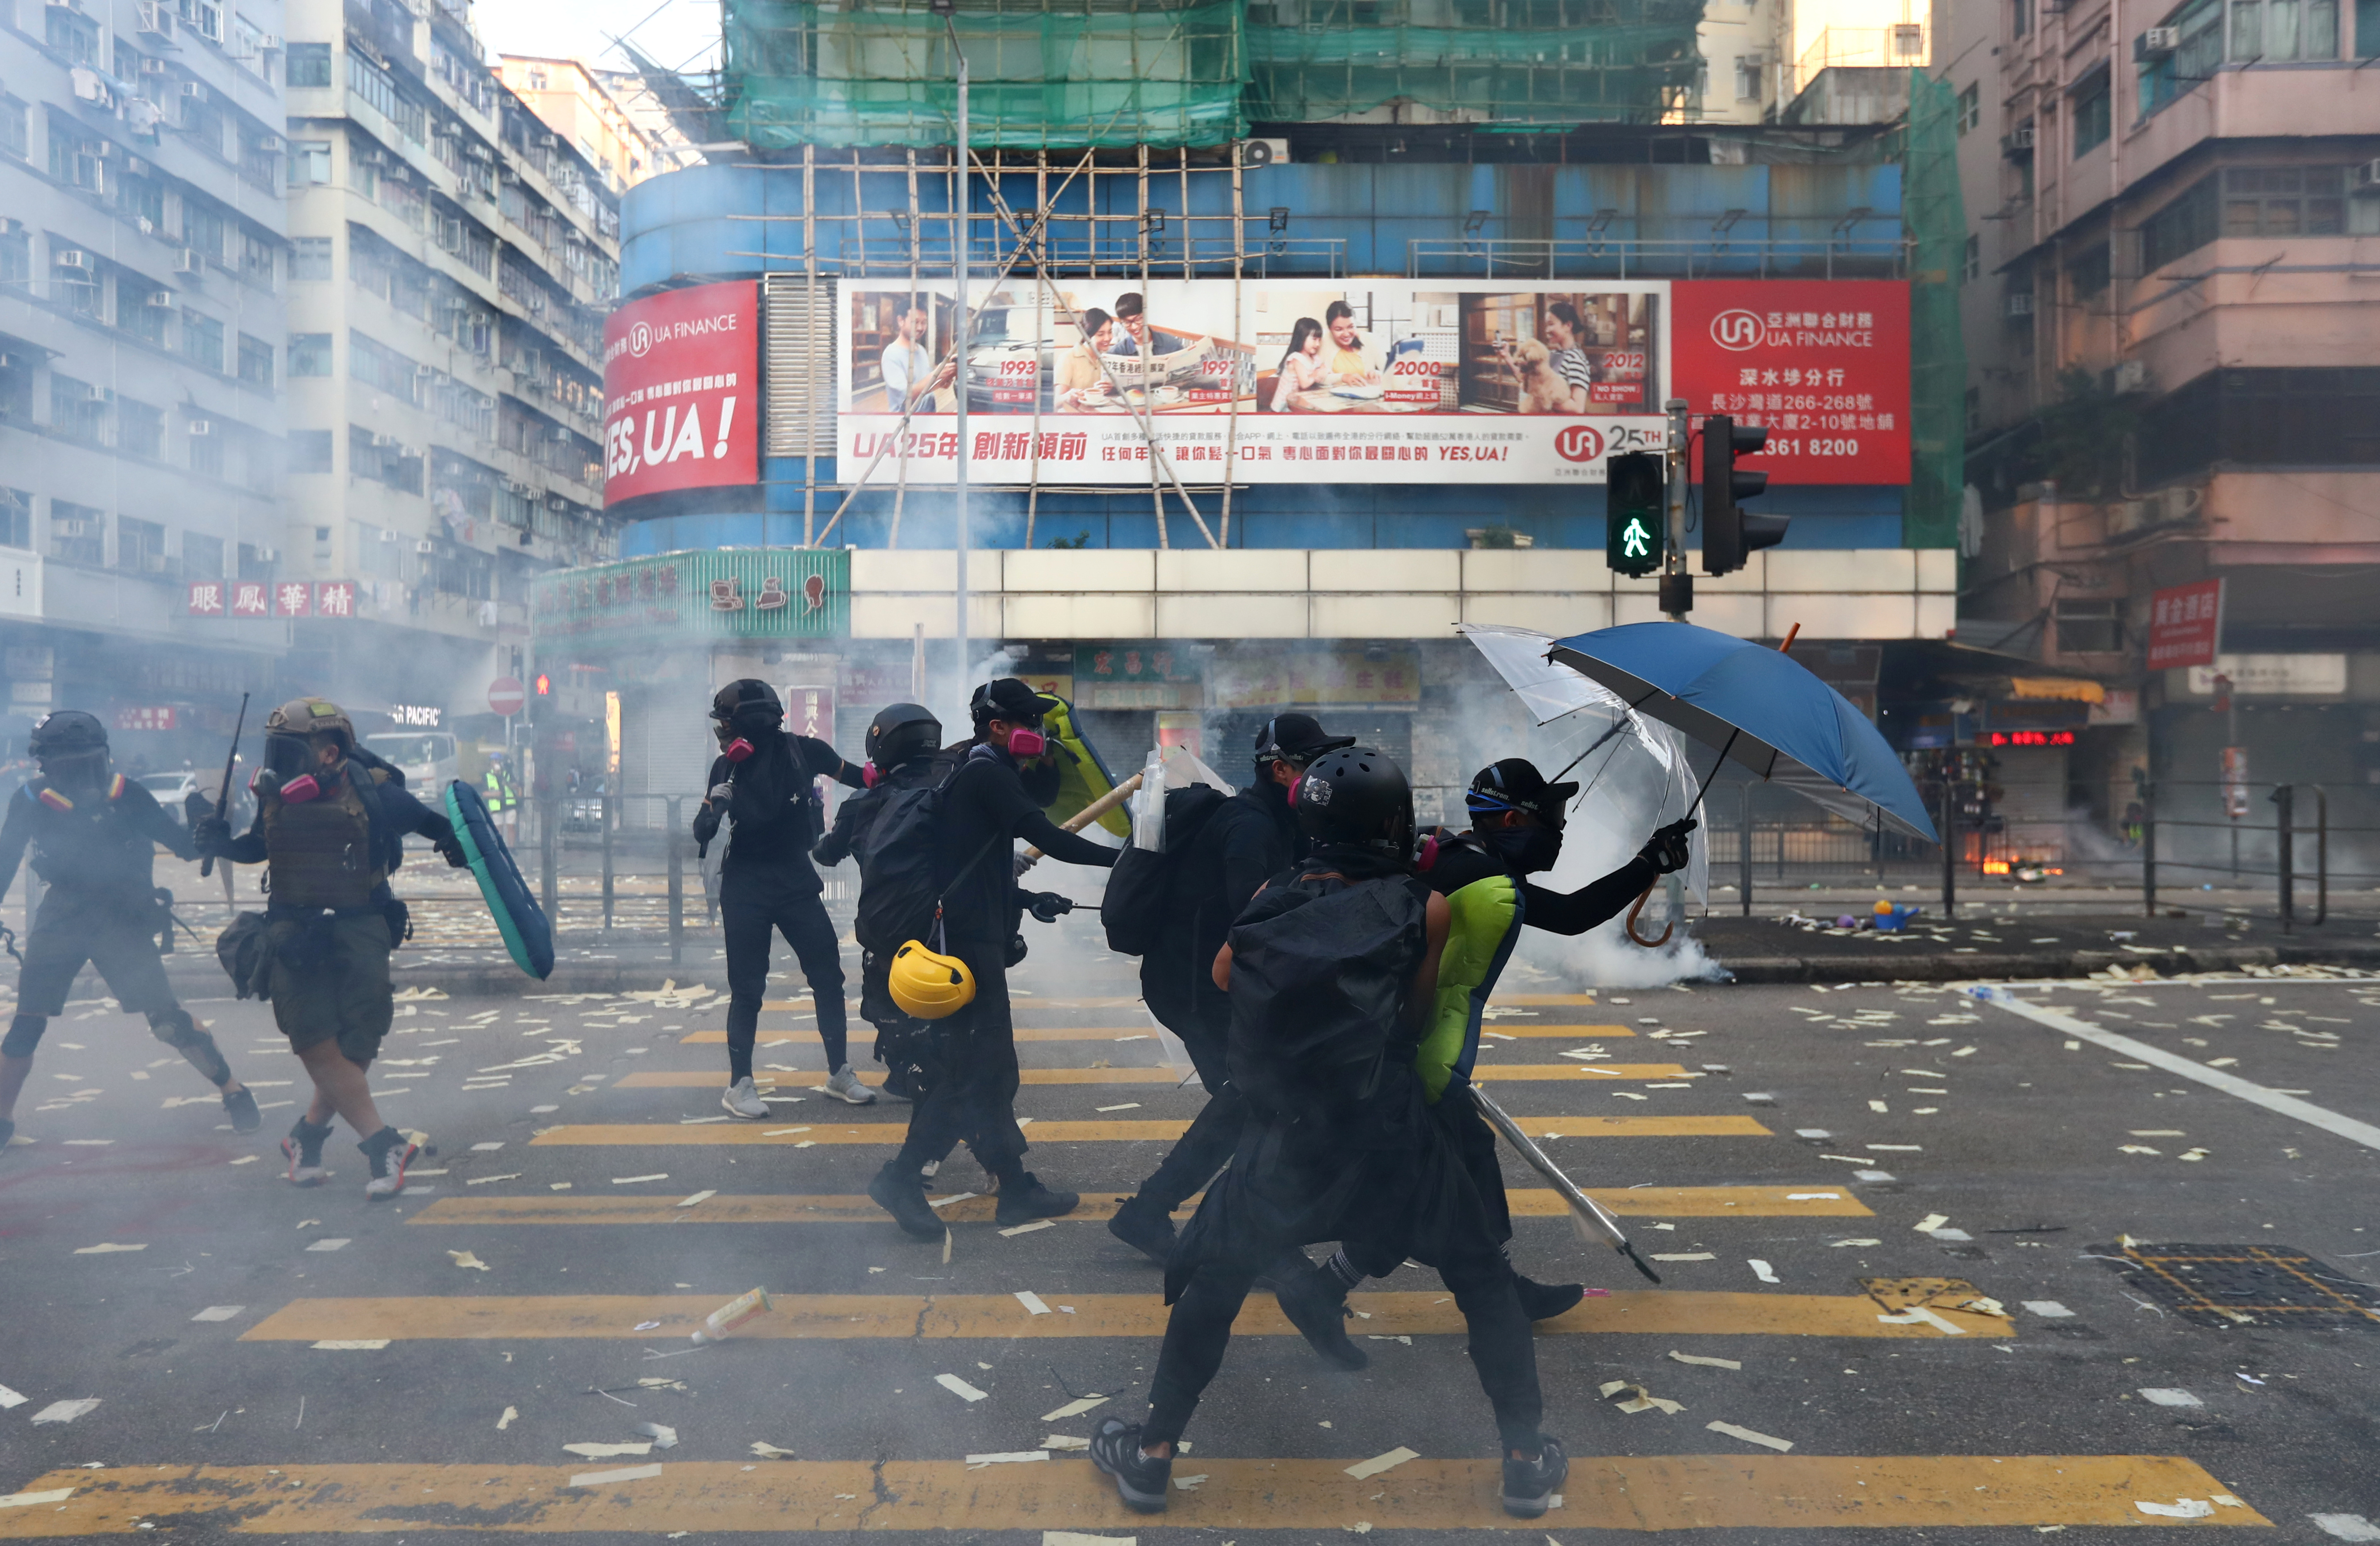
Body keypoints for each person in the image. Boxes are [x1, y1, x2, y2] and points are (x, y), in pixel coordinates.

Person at [1091, 747, 1567, 1520]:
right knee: (1480, 1278)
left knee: (1216, 1280)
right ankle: (1522, 1461)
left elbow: (1221, 975)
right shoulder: (1425, 907)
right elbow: (1413, 1017)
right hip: (1388, 1132)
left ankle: (1150, 1456)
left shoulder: (1268, 897)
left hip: (1285, 1140)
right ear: (1393, 825)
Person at [1410, 758, 1697, 1317]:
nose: (1559, 832)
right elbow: (1571, 915)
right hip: (1402, 1046)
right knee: (1429, 1166)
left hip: (1409, 1044)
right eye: (1551, 818)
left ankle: (1488, 1287)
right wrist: (1648, 863)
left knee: (1449, 1159)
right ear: (1512, 820)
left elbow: (1566, 917)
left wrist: (1648, 862)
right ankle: (1322, 1281)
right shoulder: (1466, 870)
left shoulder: (1468, 860)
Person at [865, 678, 1117, 1238]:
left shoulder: (973, 770)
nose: (1040, 736)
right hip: (964, 949)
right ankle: (902, 1177)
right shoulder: (987, 773)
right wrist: (1127, 859)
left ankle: (1015, 1188)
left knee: (991, 1072)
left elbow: (974, 863)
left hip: (973, 937)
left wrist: (1026, 898)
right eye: (1030, 725)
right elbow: (1046, 837)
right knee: (969, 1075)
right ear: (998, 726)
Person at [191, 697, 469, 1199]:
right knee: (313, 1036)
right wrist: (221, 842)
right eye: (277, 750)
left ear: (329, 752)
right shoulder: (274, 796)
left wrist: (458, 845)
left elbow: (439, 827)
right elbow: (260, 846)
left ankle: (307, 1138)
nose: (281, 762)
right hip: (293, 928)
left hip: (360, 923)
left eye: (293, 750)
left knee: (358, 1039)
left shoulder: (374, 793)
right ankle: (382, 1142)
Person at [1106, 713, 1352, 1264]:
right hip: (1194, 985)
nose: (1325, 776)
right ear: (1282, 768)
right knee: (1254, 1103)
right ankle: (1236, 1236)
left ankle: (1156, 1213)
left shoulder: (1281, 821)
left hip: (1206, 981)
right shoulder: (1250, 826)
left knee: (1248, 1103)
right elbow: (1257, 914)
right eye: (1313, 764)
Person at [0, 710, 259, 1152]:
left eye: (86, 762)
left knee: (167, 1018)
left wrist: (208, 829)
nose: (79, 773)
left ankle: (233, 1089)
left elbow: (185, 846)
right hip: (63, 914)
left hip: (121, 917)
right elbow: (4, 862)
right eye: (68, 764)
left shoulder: (127, 796)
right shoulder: (31, 800)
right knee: (27, 1023)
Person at [693, 680, 870, 1117]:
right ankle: (740, 1084)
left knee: (828, 974)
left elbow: (863, 779)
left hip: (795, 881)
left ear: (749, 723)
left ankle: (839, 1073)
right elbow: (701, 832)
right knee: (748, 987)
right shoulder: (725, 768)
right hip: (745, 887)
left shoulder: (806, 751)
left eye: (728, 724)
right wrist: (714, 807)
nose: (723, 733)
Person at [812, 701, 950, 1103]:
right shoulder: (950, 787)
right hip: (944, 920)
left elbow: (826, 853)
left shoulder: (863, 802)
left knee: (886, 995)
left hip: (886, 921)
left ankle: (906, 1064)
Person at [881, 298, 954, 413]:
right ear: (901, 321)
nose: (920, 328)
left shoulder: (921, 350)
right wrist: (936, 375)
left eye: (924, 323)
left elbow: (924, 386)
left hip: (928, 419)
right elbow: (906, 396)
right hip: (906, 424)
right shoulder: (891, 354)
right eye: (915, 322)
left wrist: (941, 382)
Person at [1538, 301, 1597, 414]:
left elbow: (1578, 408)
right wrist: (1506, 356)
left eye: (1551, 324)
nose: (1547, 330)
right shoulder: (1556, 355)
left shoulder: (1575, 359)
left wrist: (1541, 398)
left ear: (1568, 326)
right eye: (1547, 326)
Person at [1054, 307, 1114, 409]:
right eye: (1101, 334)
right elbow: (1056, 402)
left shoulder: (1108, 357)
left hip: (1100, 417)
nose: (1107, 338)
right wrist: (1069, 396)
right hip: (1075, 419)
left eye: (1110, 332)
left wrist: (1111, 389)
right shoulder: (1068, 358)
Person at [1267, 318, 1326, 412]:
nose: (1318, 344)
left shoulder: (1314, 358)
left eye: (1319, 340)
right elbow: (1304, 384)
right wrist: (1316, 374)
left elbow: (1324, 367)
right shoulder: (1296, 359)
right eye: (1314, 339)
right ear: (1302, 338)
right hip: (1282, 408)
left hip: (1297, 402)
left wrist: (1322, 370)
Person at [1321, 299, 1382, 387]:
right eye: (1339, 330)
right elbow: (1317, 378)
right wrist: (1344, 377)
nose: (1346, 334)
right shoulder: (1323, 341)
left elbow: (1391, 373)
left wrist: (1378, 374)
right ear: (1330, 329)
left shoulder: (1370, 340)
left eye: (1351, 327)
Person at [1108, 292, 1183, 357]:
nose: (1134, 327)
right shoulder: (1117, 352)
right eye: (1127, 323)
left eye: (1138, 320)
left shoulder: (1171, 344)